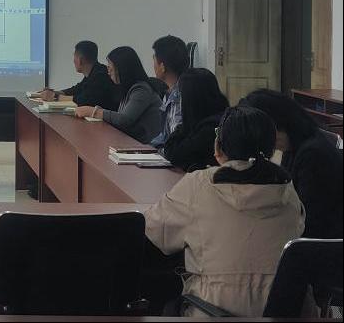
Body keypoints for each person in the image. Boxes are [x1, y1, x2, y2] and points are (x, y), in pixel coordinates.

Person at [145, 106, 305, 317]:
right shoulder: (287, 189)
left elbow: (155, 232)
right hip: (284, 312)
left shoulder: (199, 184)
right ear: (271, 147)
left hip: (214, 312)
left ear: (218, 145)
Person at [241, 89, 343, 239]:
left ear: (274, 125)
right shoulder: (294, 145)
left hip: (320, 241)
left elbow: (309, 218)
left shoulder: (313, 155)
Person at [75, 46, 162, 143]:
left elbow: (124, 119)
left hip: (146, 145)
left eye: (110, 67)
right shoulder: (126, 88)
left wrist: (94, 112)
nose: (108, 71)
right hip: (130, 141)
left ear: (122, 69)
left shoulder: (141, 89)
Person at [161, 68, 229, 172]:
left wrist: (183, 125)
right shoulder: (217, 116)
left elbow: (173, 153)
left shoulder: (211, 128)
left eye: (181, 95)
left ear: (190, 98)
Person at [37, 40, 119, 110]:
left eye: (74, 57)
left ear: (80, 60)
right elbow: (77, 89)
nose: (73, 61)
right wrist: (54, 92)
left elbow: (84, 100)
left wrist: (55, 96)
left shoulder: (101, 75)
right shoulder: (94, 71)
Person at [150, 35, 189, 147]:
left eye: (154, 60)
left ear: (162, 67)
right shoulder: (169, 92)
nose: (153, 65)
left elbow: (174, 141)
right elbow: (163, 136)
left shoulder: (178, 96)